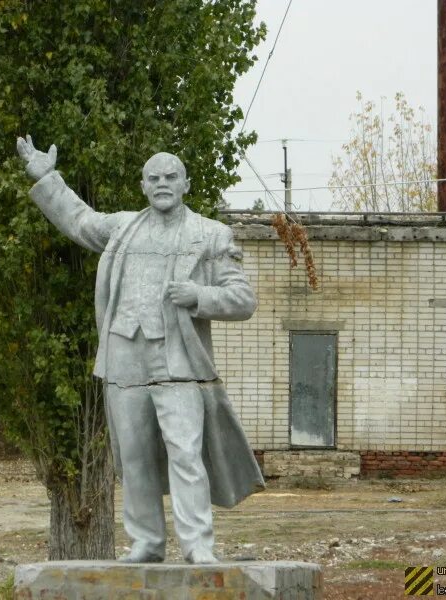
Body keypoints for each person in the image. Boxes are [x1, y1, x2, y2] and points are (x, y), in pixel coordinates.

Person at [16, 135, 264, 564]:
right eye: (154, 178)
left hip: (178, 361)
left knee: (185, 453)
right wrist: (46, 176)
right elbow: (79, 220)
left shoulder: (210, 234)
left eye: (171, 176)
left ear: (186, 183)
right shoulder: (123, 228)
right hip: (124, 355)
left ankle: (197, 545)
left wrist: (199, 295)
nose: (163, 182)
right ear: (144, 186)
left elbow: (243, 299)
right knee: (133, 457)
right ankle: (147, 542)